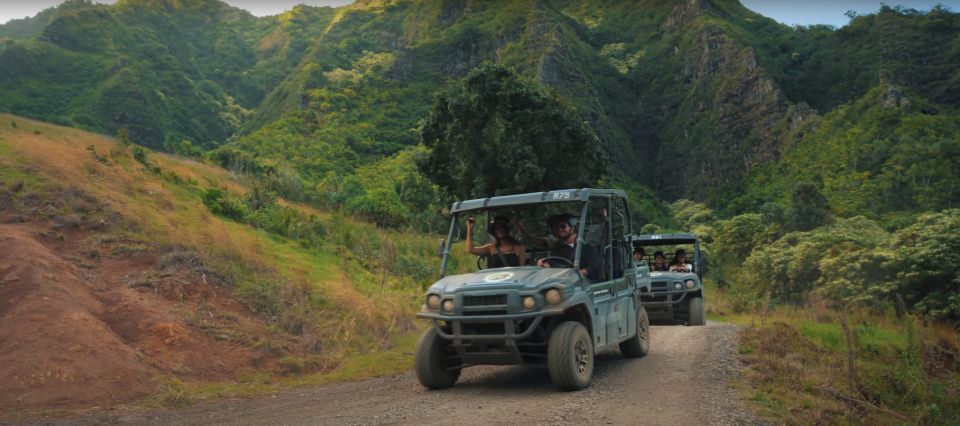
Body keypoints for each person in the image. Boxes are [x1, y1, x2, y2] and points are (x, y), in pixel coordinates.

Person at [535, 213, 604, 282]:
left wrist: (577, 274)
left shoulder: (586, 247)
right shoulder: (556, 248)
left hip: (583, 285)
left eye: (563, 226)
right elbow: (554, 266)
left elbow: (595, 267)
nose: (559, 229)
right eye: (556, 227)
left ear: (572, 227)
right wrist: (543, 264)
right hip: (561, 283)